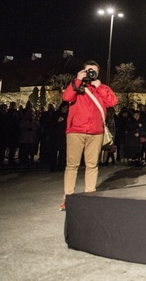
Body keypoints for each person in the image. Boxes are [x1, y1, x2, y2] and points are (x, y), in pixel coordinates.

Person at [61, 60, 117, 211]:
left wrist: (99, 87)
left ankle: (89, 195)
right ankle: (69, 197)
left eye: (94, 72)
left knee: (92, 165)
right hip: (76, 130)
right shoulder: (76, 85)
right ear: (82, 71)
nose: (90, 74)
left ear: (98, 74)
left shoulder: (101, 88)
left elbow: (112, 102)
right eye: (88, 71)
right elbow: (66, 97)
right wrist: (78, 80)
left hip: (96, 131)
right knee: (72, 165)